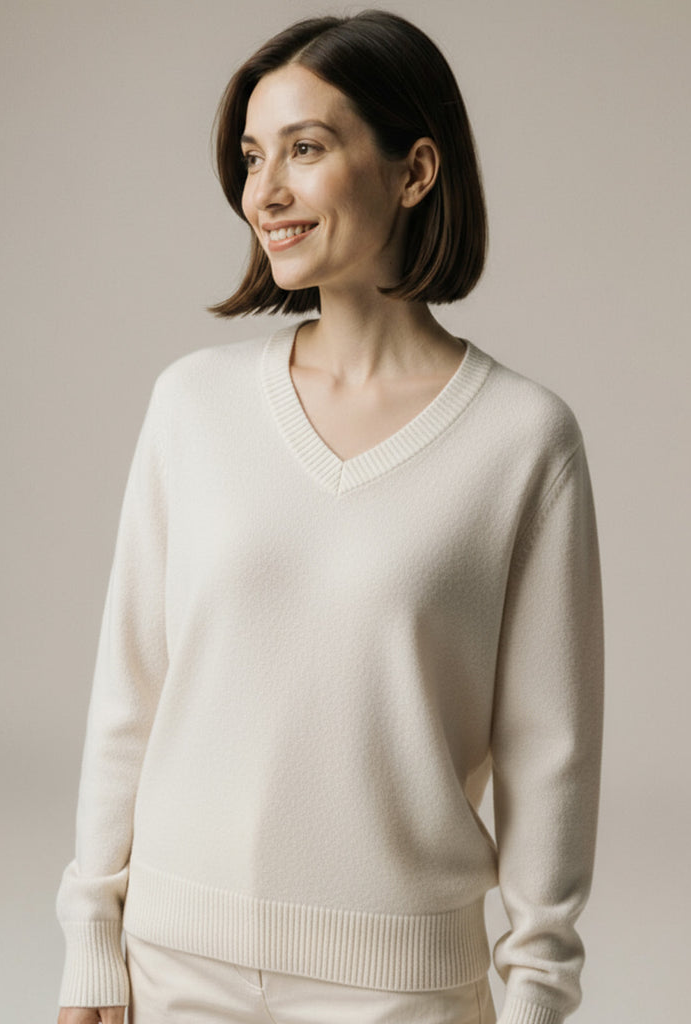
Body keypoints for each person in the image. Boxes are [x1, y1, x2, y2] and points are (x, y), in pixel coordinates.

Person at [56, 10, 603, 1024]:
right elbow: (128, 690)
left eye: (305, 149)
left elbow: (549, 754)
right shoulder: (192, 404)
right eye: (252, 156)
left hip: (401, 987)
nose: (264, 191)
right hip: (175, 964)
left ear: (413, 170)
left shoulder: (523, 441)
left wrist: (536, 998)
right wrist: (92, 933)